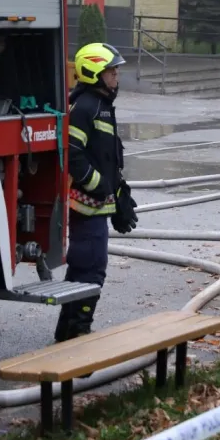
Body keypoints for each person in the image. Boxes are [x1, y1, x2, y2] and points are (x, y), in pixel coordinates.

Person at [54, 42, 138, 342]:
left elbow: (105, 155)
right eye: (111, 71)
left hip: (97, 208)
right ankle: (77, 333)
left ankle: (68, 334)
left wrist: (118, 193)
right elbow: (74, 154)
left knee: (83, 272)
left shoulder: (101, 105)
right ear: (93, 73)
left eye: (116, 70)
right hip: (85, 210)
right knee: (90, 272)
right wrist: (99, 186)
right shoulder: (86, 108)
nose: (116, 76)